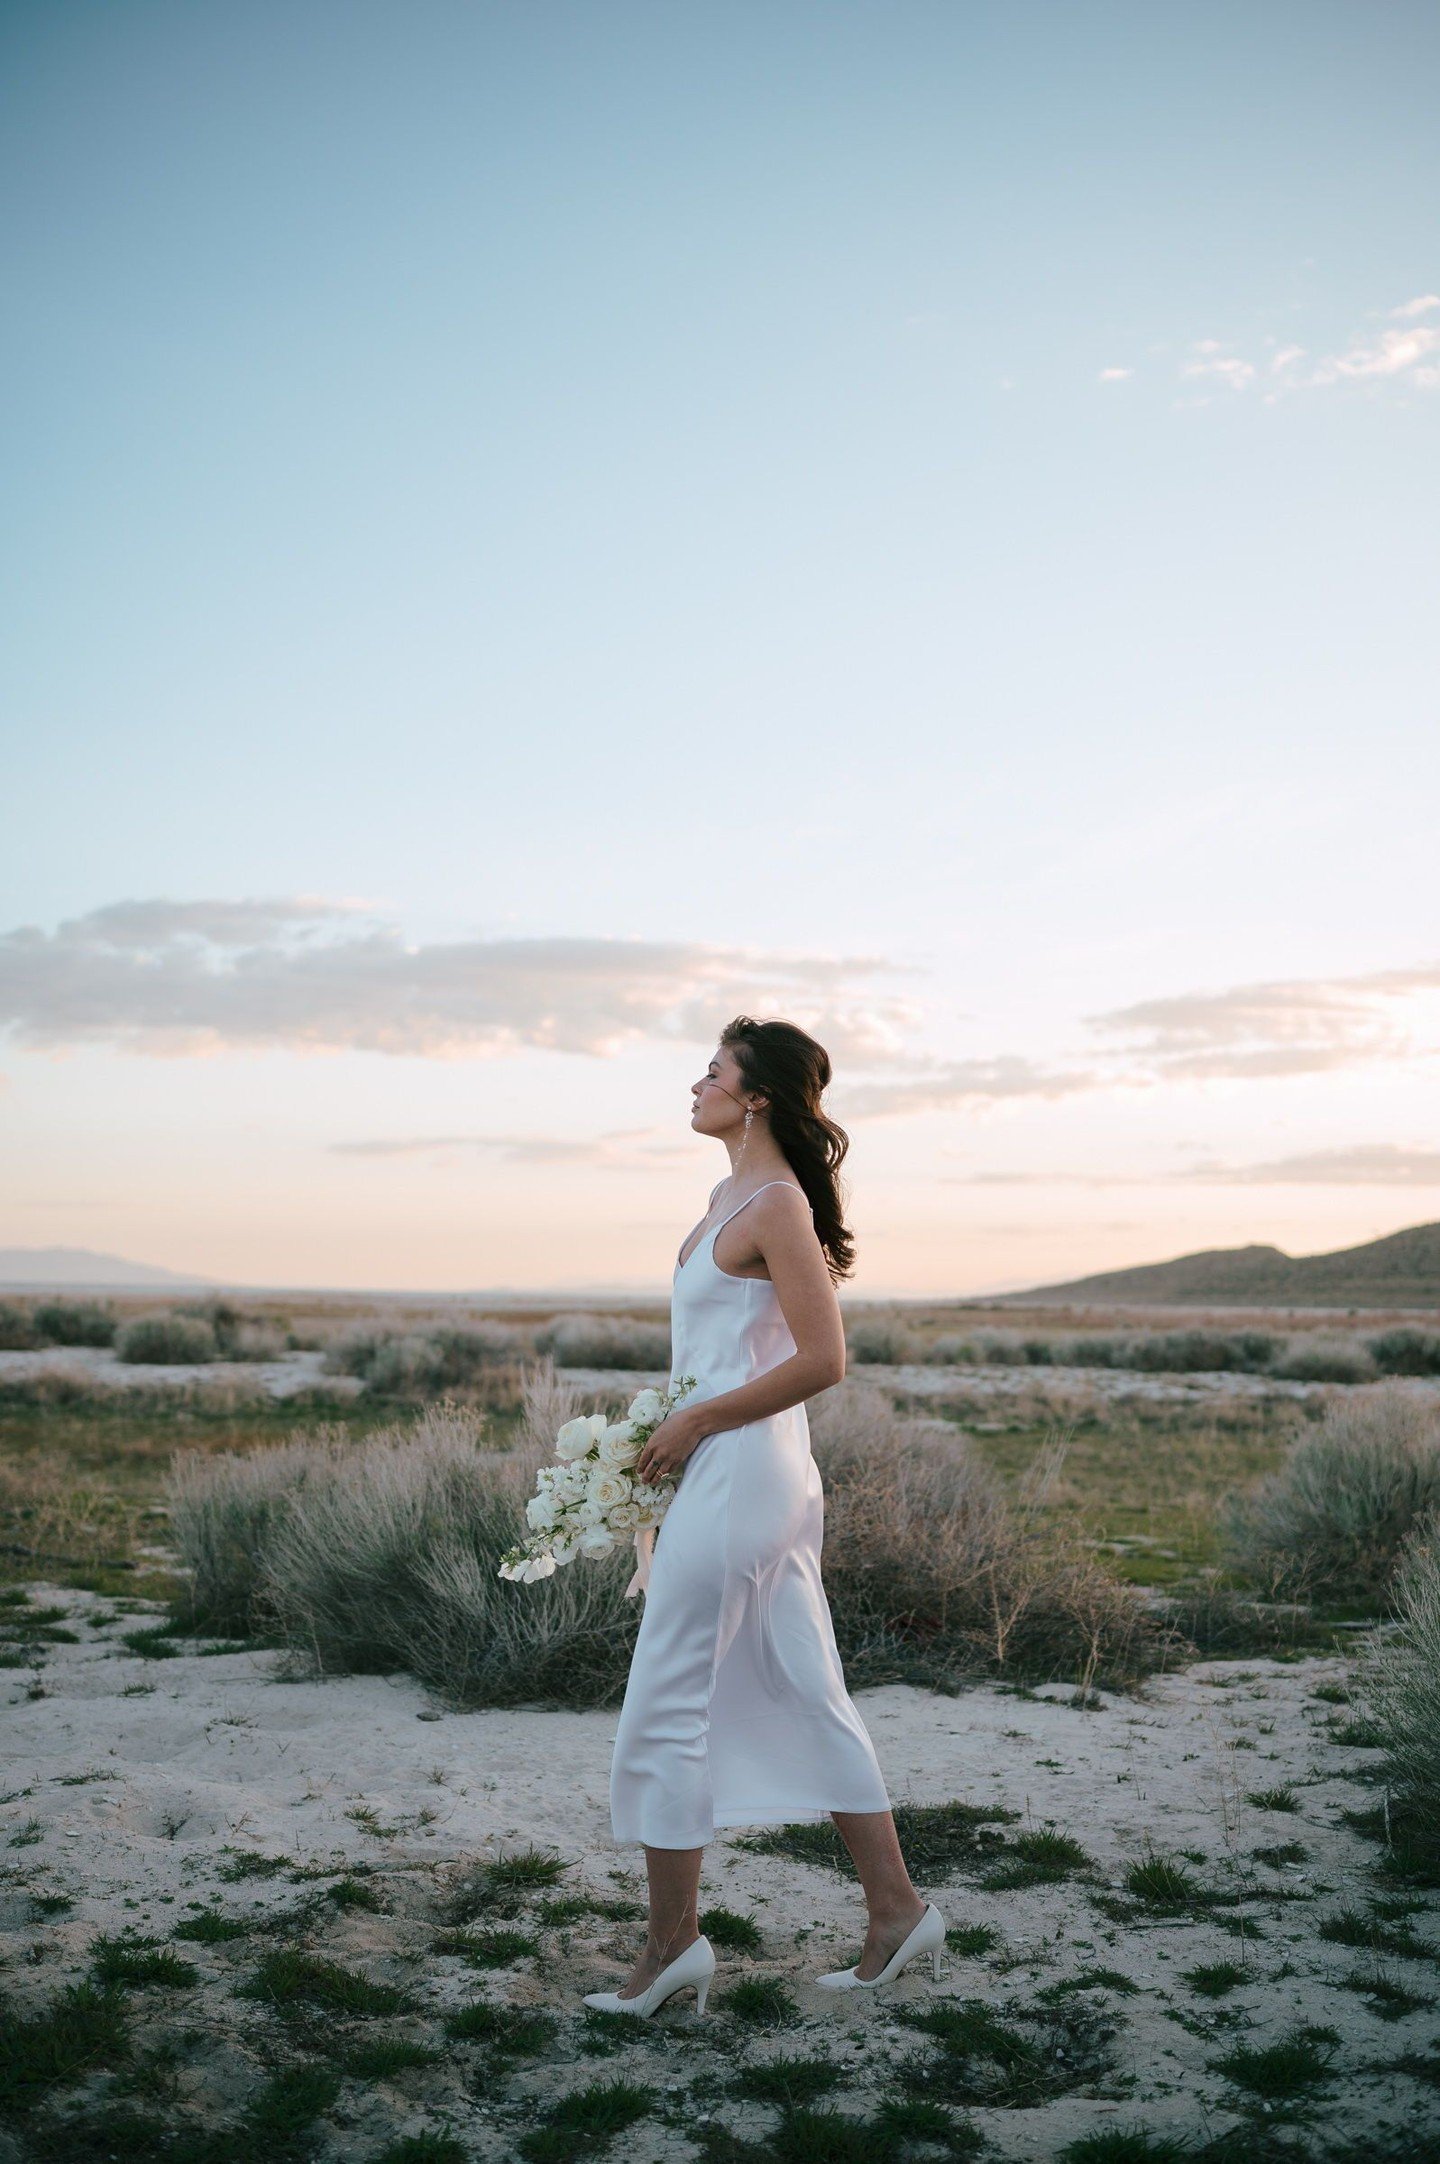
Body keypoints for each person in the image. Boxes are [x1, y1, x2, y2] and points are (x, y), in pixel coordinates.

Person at [583, 1015, 946, 2020]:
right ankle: (897, 1910)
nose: (694, 1085)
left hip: (745, 1470)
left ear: (756, 1098)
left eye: (712, 1072)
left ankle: (669, 1950)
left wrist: (697, 1418)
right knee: (806, 1682)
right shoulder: (723, 1195)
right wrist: (669, 1433)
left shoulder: (776, 1201)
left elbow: (824, 1359)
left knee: (666, 1698)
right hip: (739, 1466)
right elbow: (723, 1350)